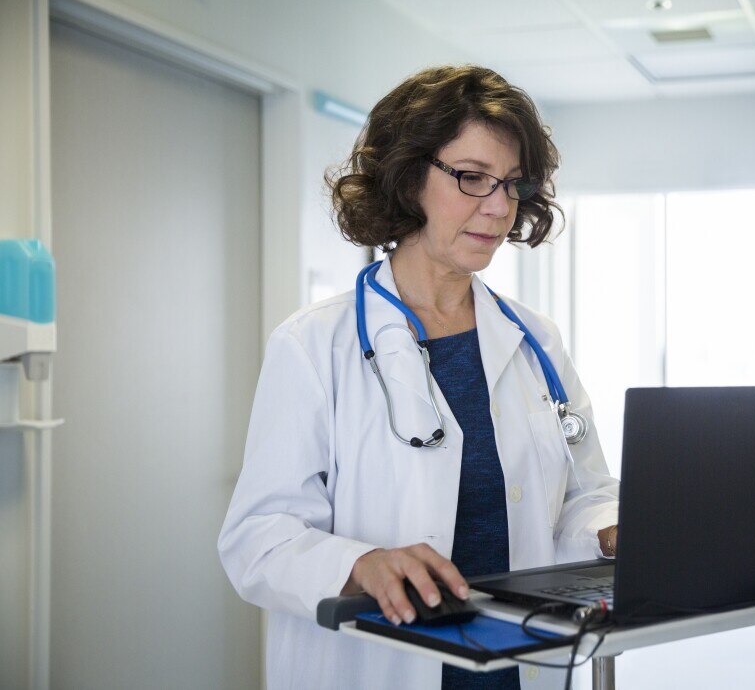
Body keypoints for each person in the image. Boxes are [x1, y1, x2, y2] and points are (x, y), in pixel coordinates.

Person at [218, 65, 619, 690]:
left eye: (511, 184)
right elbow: (257, 541)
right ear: (407, 179)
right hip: (382, 669)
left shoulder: (534, 339)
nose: (498, 207)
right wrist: (362, 564)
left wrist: (609, 527)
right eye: (471, 178)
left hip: (522, 667)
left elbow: (580, 495)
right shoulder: (312, 345)